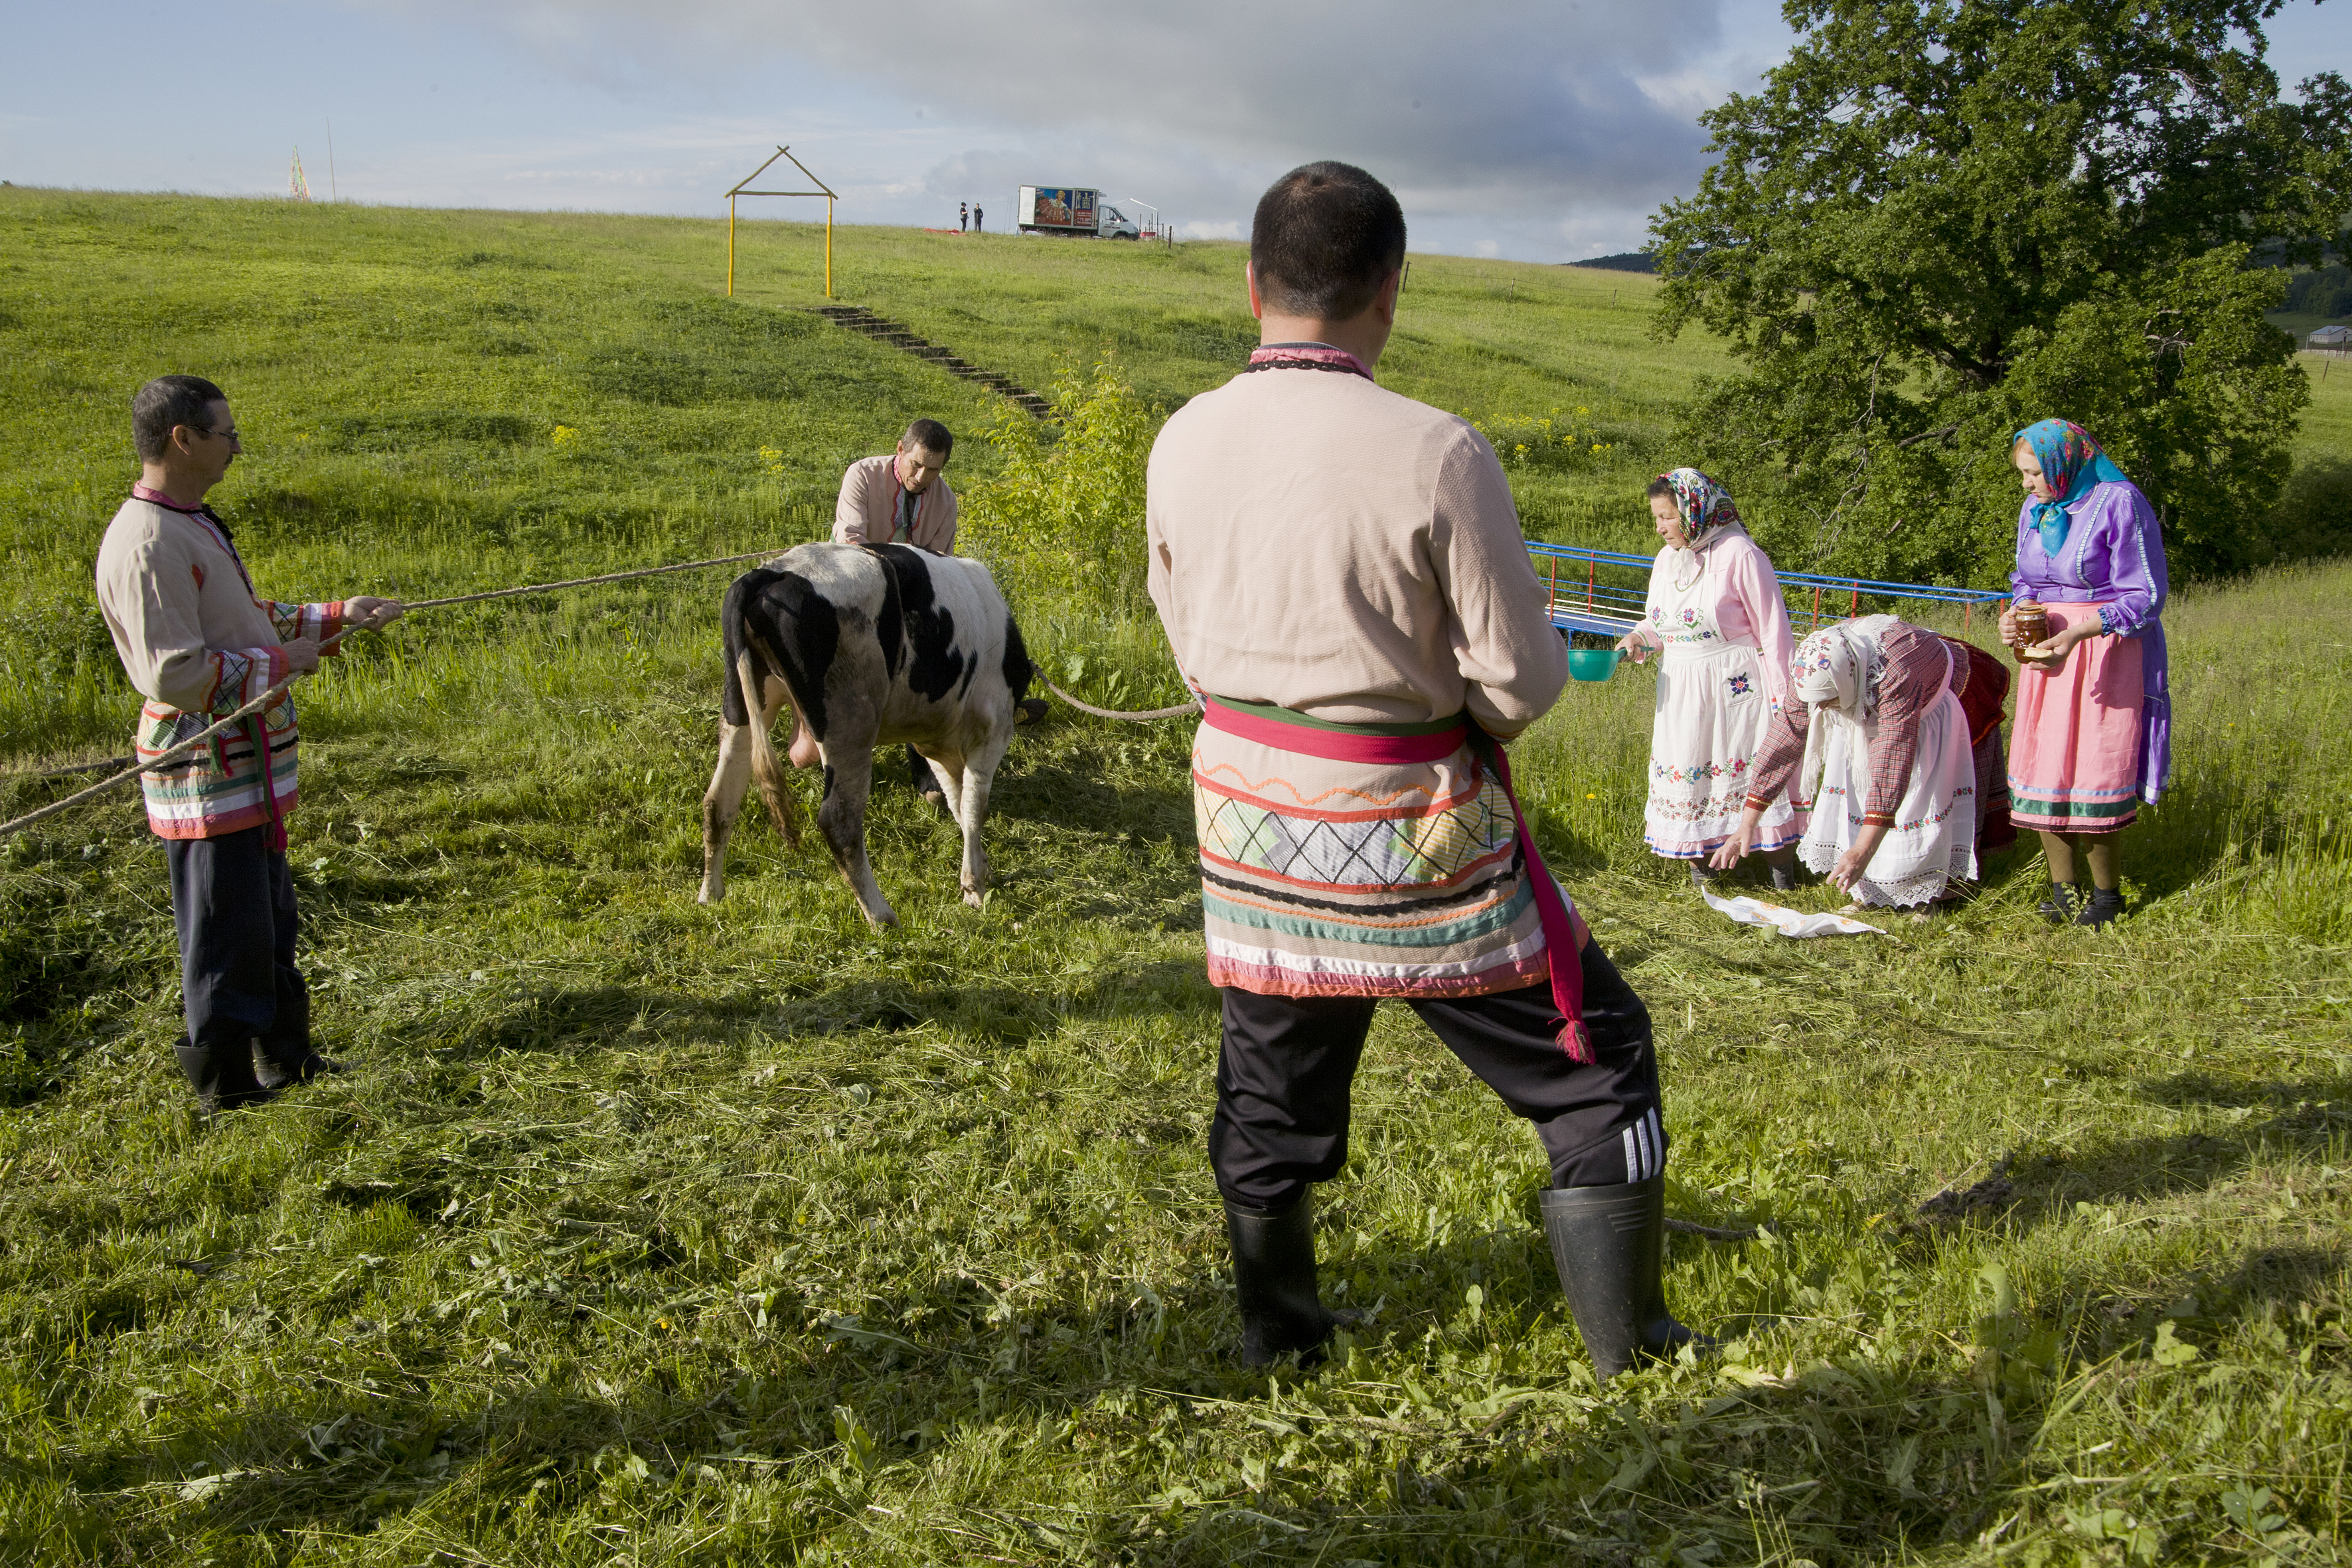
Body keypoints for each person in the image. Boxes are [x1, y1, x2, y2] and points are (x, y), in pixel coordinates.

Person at [1146, 161, 1709, 1381]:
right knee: (1597, 1056)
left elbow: (1186, 639)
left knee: (1269, 1076)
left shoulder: (1181, 437)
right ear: (1390, 291)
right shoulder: (1437, 452)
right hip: (1414, 833)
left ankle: (1279, 1339)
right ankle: (1634, 1341)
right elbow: (1520, 683)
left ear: (1253, 285)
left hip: (1250, 832)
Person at [93, 376, 404, 1117]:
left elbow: (241, 618)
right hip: (205, 771)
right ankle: (225, 1086)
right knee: (224, 928)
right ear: (183, 438)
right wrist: (281, 662)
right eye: (228, 433)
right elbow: (175, 673)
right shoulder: (148, 544)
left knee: (267, 918)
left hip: (246, 770)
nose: (237, 447)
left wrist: (332, 617)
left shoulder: (190, 522)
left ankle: (288, 1057)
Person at [1998, 420, 2169, 928]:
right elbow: (2024, 580)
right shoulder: (2034, 508)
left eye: (2033, 474)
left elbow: (2146, 596)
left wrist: (2077, 633)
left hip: (2104, 650)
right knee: (2044, 769)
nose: (2026, 485)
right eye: (2023, 475)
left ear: (2062, 464)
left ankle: (2106, 896)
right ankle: (2062, 890)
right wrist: (2015, 615)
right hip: (2046, 654)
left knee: (2095, 770)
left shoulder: (2118, 501)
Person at [1712, 615, 1998, 911]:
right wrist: (1746, 826)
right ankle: (1872, 893)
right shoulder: (1813, 668)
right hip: (1864, 703)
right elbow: (1783, 741)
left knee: (1921, 797)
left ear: (1847, 682)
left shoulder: (1896, 673)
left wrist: (1862, 850)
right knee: (1859, 794)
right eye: (1816, 701)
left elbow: (1891, 764)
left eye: (1826, 700)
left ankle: (1928, 898)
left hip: (1927, 703)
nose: (1820, 708)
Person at [1615, 469, 1804, 890]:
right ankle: (1703, 875)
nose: (1661, 528)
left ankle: (1781, 876)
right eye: (1656, 519)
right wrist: (1636, 639)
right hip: (1680, 689)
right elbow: (1660, 625)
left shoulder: (1741, 554)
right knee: (1689, 765)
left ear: (1694, 510)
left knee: (1751, 767)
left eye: (1667, 517)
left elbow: (1774, 631)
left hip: (1735, 687)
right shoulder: (1667, 561)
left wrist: (1783, 698)